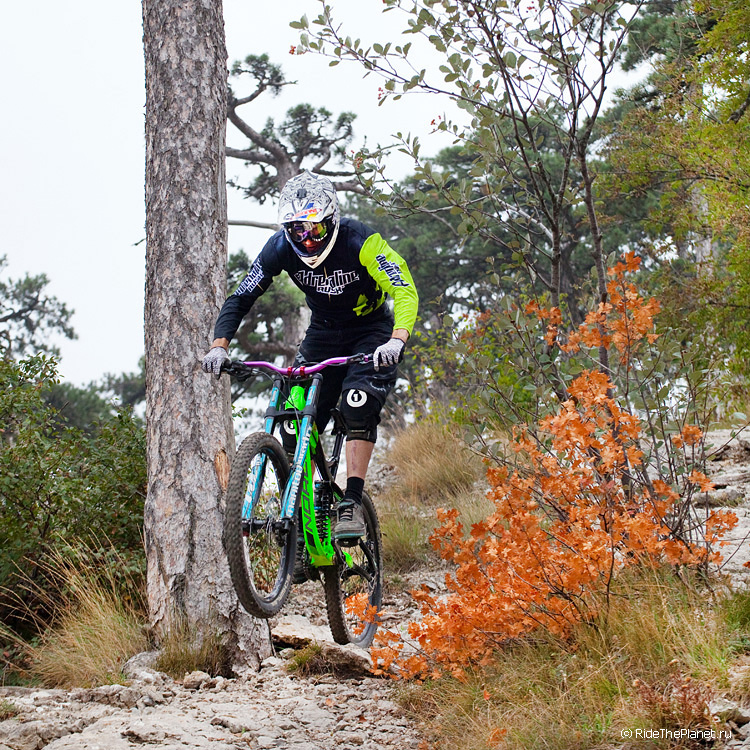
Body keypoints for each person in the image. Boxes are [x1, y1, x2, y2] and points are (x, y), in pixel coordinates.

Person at [202, 170, 418, 542]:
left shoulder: (361, 241)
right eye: (296, 230)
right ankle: (304, 510)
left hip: (371, 330)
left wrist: (397, 340)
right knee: (292, 418)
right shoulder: (279, 248)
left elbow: (403, 287)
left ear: (331, 220)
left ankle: (351, 501)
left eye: (314, 229)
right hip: (323, 333)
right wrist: (219, 345)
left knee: (358, 401)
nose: (306, 239)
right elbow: (242, 296)